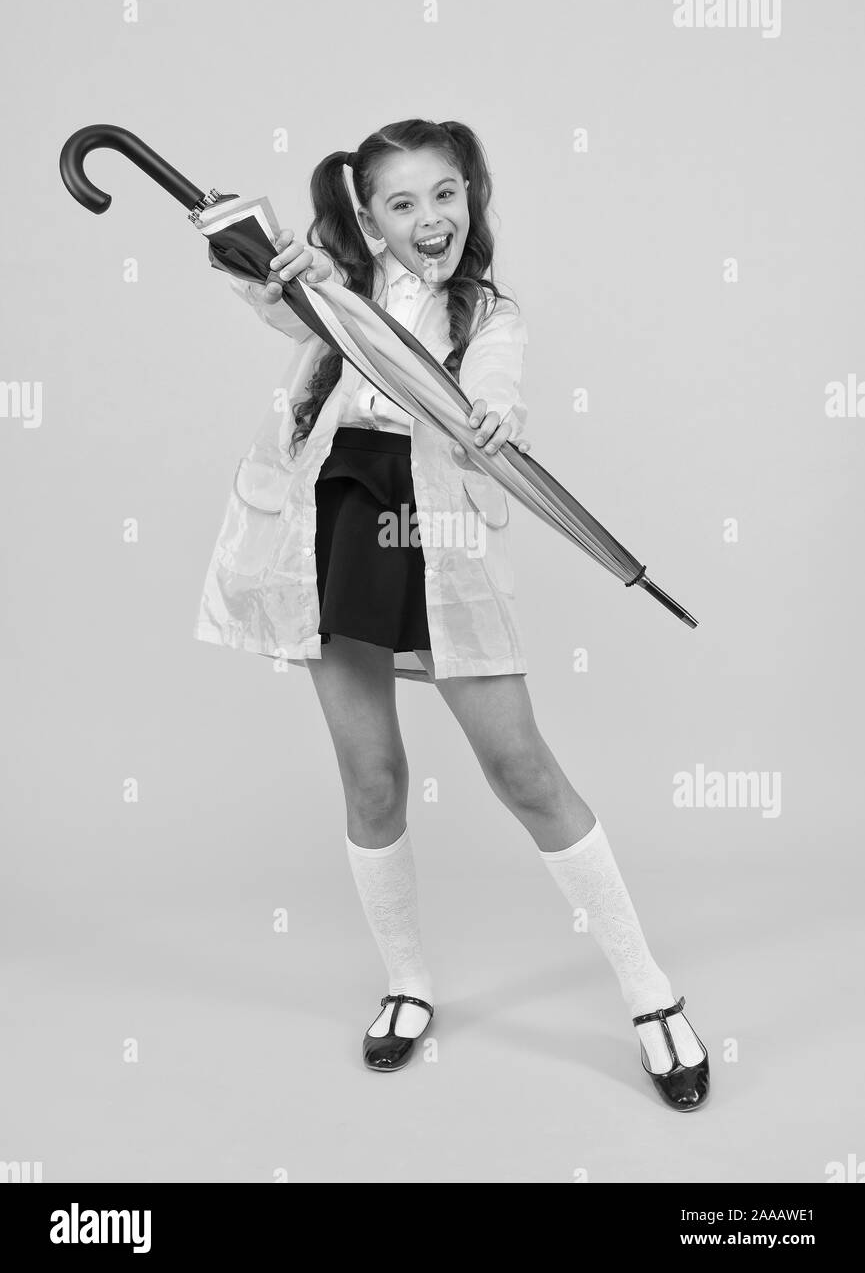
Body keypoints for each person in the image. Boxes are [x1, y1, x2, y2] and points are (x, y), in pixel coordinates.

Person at [194, 118, 709, 1110]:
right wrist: (265, 259)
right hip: (336, 520)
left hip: (434, 527)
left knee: (521, 767)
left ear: (471, 197)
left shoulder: (489, 314)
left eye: (445, 194)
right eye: (400, 202)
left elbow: (493, 391)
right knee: (373, 775)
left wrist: (495, 418)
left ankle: (647, 991)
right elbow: (270, 296)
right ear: (369, 220)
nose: (428, 218)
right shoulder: (328, 294)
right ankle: (407, 982)